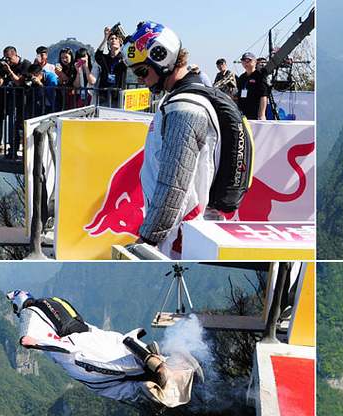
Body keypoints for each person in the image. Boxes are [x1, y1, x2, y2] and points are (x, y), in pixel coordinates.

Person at [123, 21, 253, 257]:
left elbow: (174, 185)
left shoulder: (184, 108)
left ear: (162, 59)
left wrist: (147, 238)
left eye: (143, 71)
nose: (141, 79)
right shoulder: (180, 100)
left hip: (176, 236)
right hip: (177, 230)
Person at [7, 290, 201, 408]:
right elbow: (78, 320)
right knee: (122, 351)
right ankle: (164, 362)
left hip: (75, 349)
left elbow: (25, 338)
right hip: (93, 334)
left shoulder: (28, 311)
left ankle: (152, 379)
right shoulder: (55, 300)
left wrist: (32, 342)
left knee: (106, 383)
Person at [94, 26, 128, 107]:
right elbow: (98, 55)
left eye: (116, 39)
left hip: (118, 97)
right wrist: (105, 37)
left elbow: (132, 56)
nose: (113, 40)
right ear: (108, 43)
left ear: (120, 42)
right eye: (111, 39)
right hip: (104, 96)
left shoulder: (124, 59)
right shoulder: (105, 58)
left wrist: (125, 39)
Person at [236, 51, 269, 120]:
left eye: (248, 60)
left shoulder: (260, 76)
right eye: (243, 61)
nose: (246, 63)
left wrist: (262, 114)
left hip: (255, 113)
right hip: (243, 113)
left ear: (255, 62)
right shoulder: (242, 78)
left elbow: (263, 96)